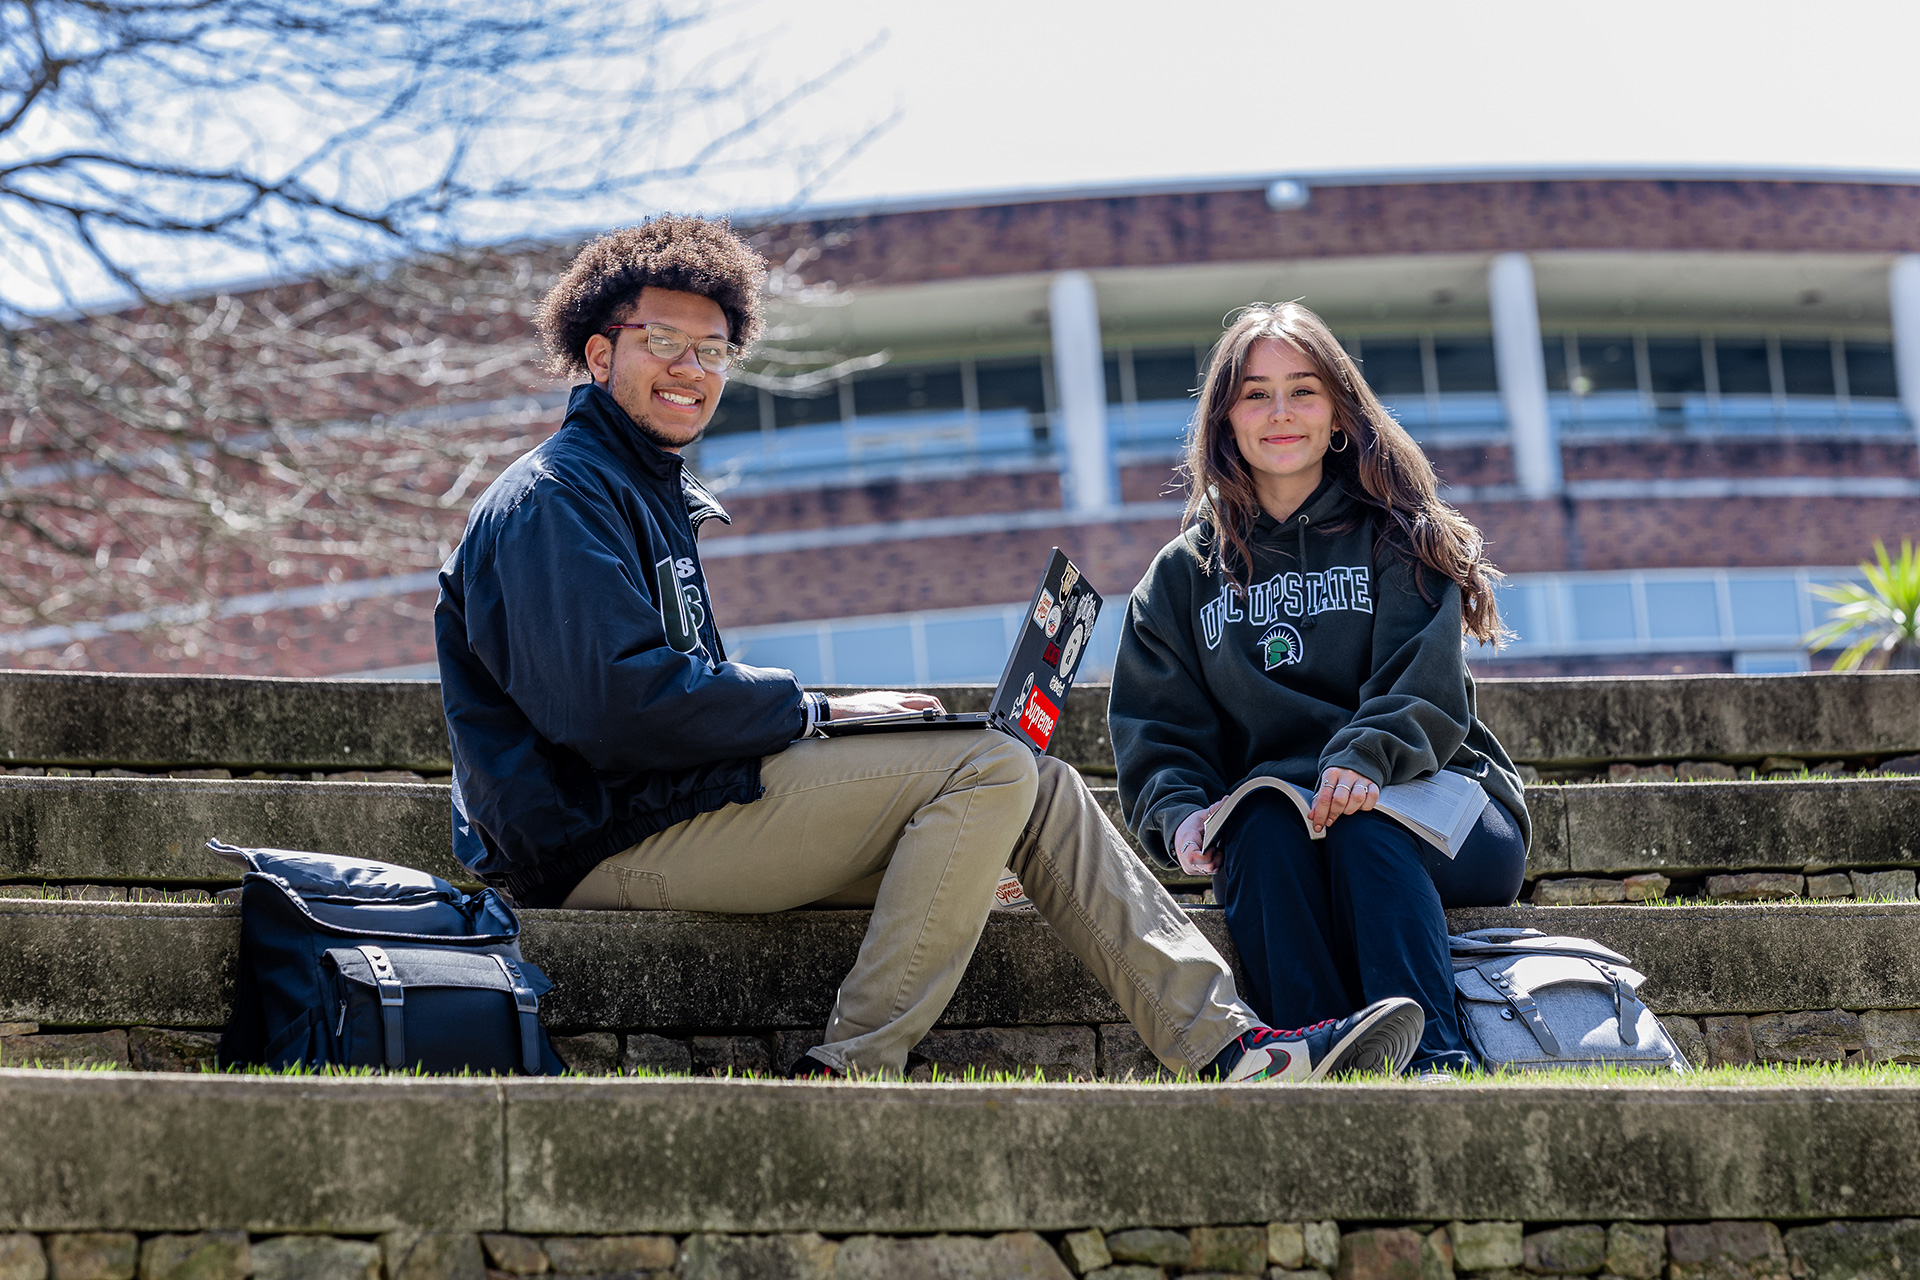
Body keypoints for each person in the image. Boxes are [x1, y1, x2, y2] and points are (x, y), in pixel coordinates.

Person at [434, 218, 1423, 1081]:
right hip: (599, 845)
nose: (693, 368)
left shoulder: (641, 491)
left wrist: (830, 726)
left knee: (1033, 785)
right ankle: (850, 1062)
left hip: (670, 813)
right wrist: (820, 711)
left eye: (714, 349)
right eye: (663, 342)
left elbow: (675, 705)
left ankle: (1232, 1046)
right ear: (598, 354)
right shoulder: (555, 500)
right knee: (992, 762)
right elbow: (619, 711)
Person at [1109, 302, 1531, 1074]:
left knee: (1366, 827)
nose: (1279, 413)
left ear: (1338, 411)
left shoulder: (1398, 534)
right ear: (1224, 418)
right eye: (1254, 393)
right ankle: (1316, 1063)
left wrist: (1365, 761)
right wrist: (1180, 815)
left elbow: (1425, 691)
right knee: (1260, 834)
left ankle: (1435, 1062)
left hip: (1440, 806)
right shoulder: (1181, 577)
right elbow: (1157, 729)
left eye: (1302, 391)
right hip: (1289, 821)